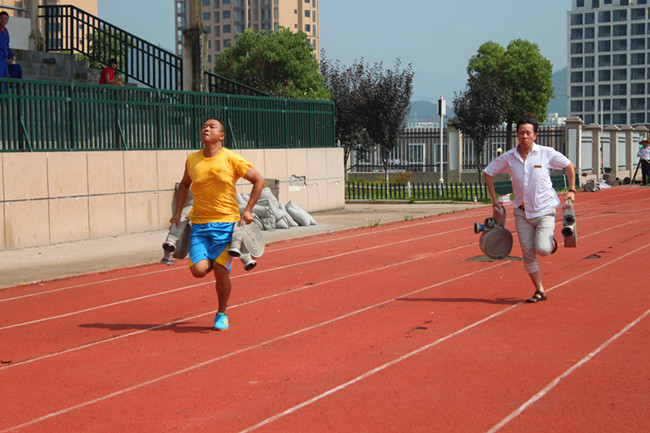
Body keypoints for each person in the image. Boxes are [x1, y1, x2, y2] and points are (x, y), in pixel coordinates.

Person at [170, 118, 265, 330]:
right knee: (198, 270)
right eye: (204, 126)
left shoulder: (232, 158)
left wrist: (248, 210)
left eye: (212, 126)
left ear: (221, 136)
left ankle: (221, 313)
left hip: (226, 226)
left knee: (221, 270)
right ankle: (221, 261)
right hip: (200, 226)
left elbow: (258, 180)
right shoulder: (193, 159)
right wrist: (177, 213)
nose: (206, 128)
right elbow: (185, 184)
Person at [484, 113, 576, 303]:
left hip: (544, 211)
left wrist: (572, 190)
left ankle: (549, 242)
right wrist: (494, 200)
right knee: (527, 254)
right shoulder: (509, 157)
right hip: (521, 213)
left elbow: (568, 165)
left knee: (542, 249)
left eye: (527, 133)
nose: (524, 136)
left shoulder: (546, 153)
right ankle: (539, 290)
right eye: (521, 133)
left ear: (535, 135)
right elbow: (488, 172)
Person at [1, 11, 16, 92]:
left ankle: (3, 98)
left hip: (4, 60)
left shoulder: (6, 32)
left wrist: (11, 55)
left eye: (6, 19)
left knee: (4, 79)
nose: (4, 21)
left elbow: (7, 46)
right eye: (2, 18)